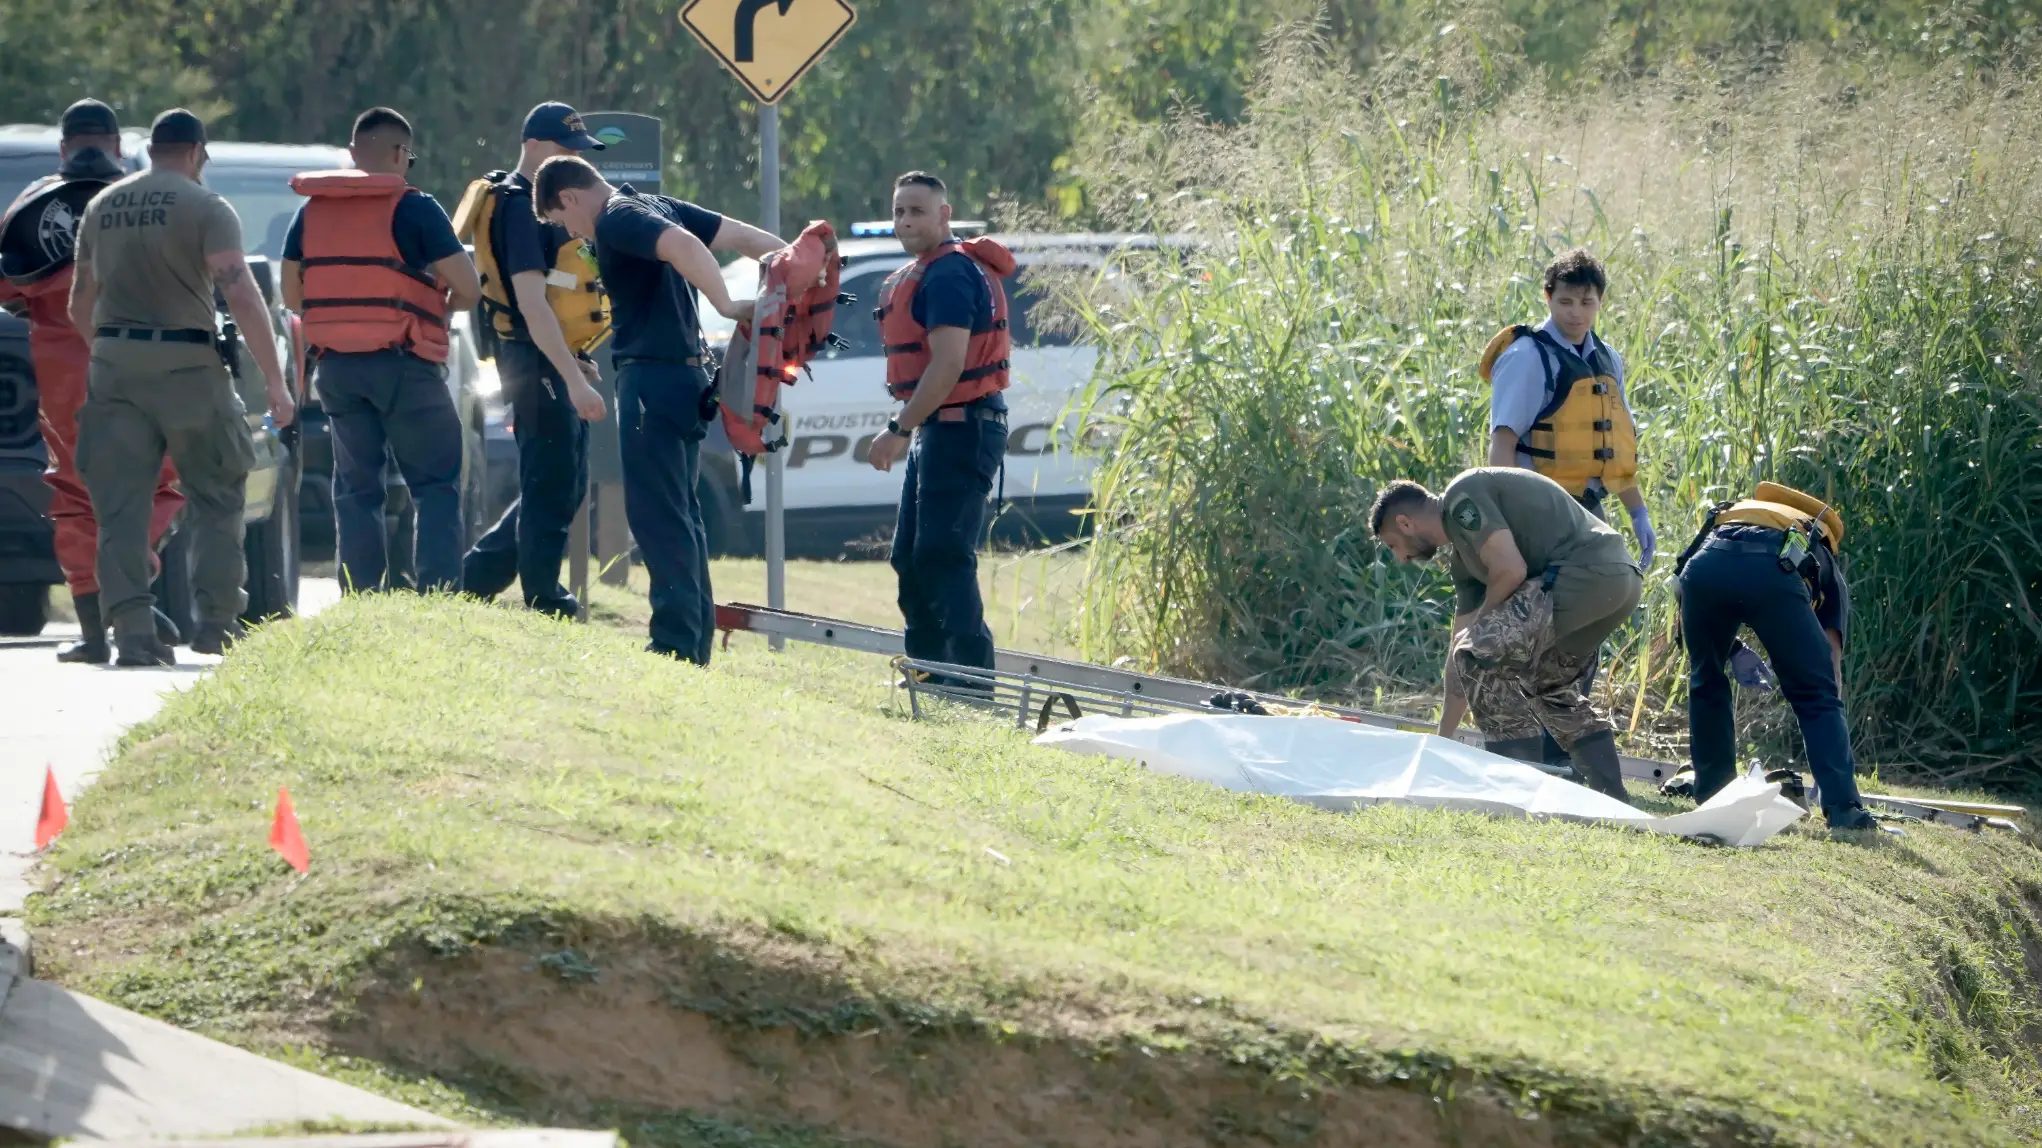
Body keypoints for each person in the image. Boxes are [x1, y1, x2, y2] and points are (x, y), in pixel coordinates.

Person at [67, 108, 293, 665]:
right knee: (217, 493)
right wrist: (274, 379)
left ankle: (134, 632)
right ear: (196, 153)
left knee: (119, 506)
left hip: (114, 362)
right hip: (188, 366)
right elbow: (239, 292)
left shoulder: (102, 206)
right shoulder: (206, 207)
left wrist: (108, 351)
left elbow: (79, 303)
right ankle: (216, 622)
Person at [534, 155, 780, 663]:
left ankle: (674, 644)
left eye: (563, 221)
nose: (575, 233)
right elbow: (739, 236)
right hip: (685, 377)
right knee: (681, 513)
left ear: (570, 197)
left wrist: (727, 305)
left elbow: (687, 246)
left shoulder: (617, 217)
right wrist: (800, 261)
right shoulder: (655, 204)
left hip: (654, 378)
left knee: (657, 515)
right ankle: (694, 641)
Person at [0, 99, 185, 662]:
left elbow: (8, 293)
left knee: (76, 495)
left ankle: (94, 631)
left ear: (63, 147)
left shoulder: (29, 207)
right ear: (116, 145)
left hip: (63, 375)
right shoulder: (152, 201)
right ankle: (130, 591)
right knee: (155, 485)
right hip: (147, 363)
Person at [280, 107, 480, 594]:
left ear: (352, 154)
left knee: (355, 489)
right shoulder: (416, 208)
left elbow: (292, 297)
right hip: (405, 365)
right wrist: (438, 307)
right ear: (398, 154)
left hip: (339, 372)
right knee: (434, 484)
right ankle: (437, 592)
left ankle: (361, 593)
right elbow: (469, 288)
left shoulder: (311, 213)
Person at [1479, 247, 1655, 769]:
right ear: (1548, 298)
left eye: (1586, 302)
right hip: (1538, 513)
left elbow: (1615, 450)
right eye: (1565, 301)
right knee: (1534, 630)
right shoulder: (1528, 357)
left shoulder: (1607, 359)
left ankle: (1562, 750)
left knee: (1582, 630)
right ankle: (1522, 751)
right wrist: (1507, 522)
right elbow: (1503, 444)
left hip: (1588, 514)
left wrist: (1637, 513)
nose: (1575, 313)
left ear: (1599, 304)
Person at [1371, 468, 1643, 802]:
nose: (1401, 558)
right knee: (1549, 687)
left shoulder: (1462, 496)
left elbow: (1511, 570)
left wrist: (1478, 632)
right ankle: (1611, 795)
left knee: (1477, 651)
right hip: (1618, 584)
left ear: (1405, 523)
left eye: (1393, 546)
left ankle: (1512, 789)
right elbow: (1459, 653)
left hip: (1587, 574)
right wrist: (1442, 740)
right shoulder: (1465, 559)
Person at [458, 102, 609, 619]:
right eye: (565, 149)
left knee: (564, 478)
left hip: (552, 354)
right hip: (530, 354)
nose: (573, 161)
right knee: (550, 478)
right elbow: (531, 299)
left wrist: (574, 360)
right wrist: (569, 373)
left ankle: (473, 581)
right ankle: (544, 597)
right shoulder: (520, 208)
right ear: (534, 147)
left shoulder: (537, 200)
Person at [863, 172, 1012, 679]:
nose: (905, 220)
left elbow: (947, 365)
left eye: (917, 211)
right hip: (940, 429)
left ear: (944, 215)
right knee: (911, 557)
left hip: (963, 428)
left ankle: (969, 684)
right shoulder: (924, 271)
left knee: (943, 557)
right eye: (899, 210)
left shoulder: (948, 274)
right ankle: (929, 675)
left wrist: (899, 429)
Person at [1674, 482, 1881, 832]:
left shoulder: (1731, 514)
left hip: (1704, 567)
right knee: (1816, 693)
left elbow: (1683, 586)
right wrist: (1828, 731)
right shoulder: (1820, 549)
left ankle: (1714, 796)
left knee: (1706, 679)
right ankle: (1844, 811)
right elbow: (1830, 671)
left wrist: (1731, 650)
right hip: (1775, 572)